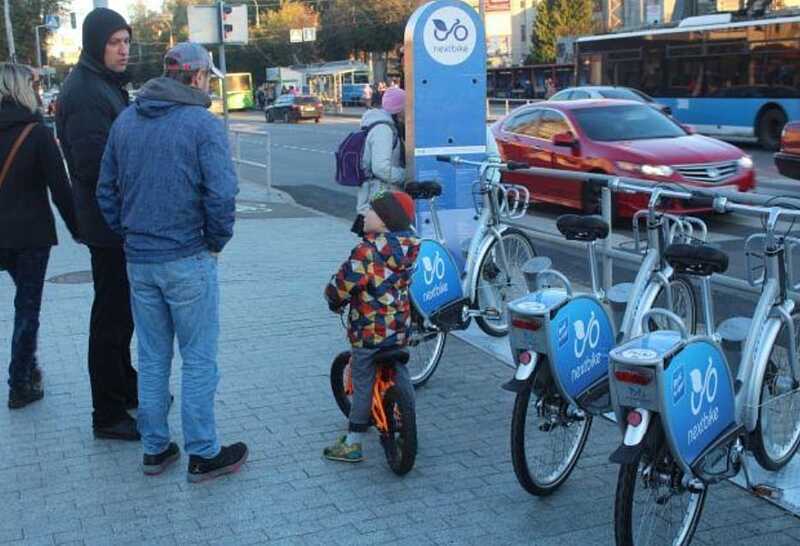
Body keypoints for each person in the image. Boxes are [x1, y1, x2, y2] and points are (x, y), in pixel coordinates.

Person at [97, 42, 247, 481]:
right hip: (187, 257)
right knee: (199, 358)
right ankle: (203, 452)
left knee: (153, 355)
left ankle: (155, 449)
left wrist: (129, 234)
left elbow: (105, 191)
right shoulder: (202, 124)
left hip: (140, 261)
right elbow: (221, 193)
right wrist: (216, 242)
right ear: (198, 76)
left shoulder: (126, 121)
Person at [55, 7, 140, 440]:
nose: (123, 50)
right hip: (108, 225)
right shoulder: (87, 92)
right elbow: (94, 166)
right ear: (95, 44)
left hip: (111, 221)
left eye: (126, 41)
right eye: (114, 42)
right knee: (110, 318)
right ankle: (106, 413)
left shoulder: (102, 85)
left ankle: (125, 385)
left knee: (119, 314)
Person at [0, 63, 79, 409]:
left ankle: (29, 367)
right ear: (21, 89)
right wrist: (80, 230)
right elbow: (61, 190)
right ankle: (20, 381)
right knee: (27, 307)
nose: (36, 90)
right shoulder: (37, 133)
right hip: (31, 236)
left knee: (24, 303)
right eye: (32, 84)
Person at [322, 191, 420, 462]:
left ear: (386, 221)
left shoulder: (366, 251)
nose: (364, 214)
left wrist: (332, 299)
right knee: (401, 373)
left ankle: (352, 442)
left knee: (363, 379)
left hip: (369, 331)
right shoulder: (411, 246)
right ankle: (407, 417)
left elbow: (343, 285)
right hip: (399, 328)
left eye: (372, 211)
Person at [352, 87, 407, 235]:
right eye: (406, 107)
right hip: (380, 202)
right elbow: (381, 168)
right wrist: (406, 175)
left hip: (378, 199)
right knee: (382, 251)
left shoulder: (383, 125)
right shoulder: (383, 130)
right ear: (398, 109)